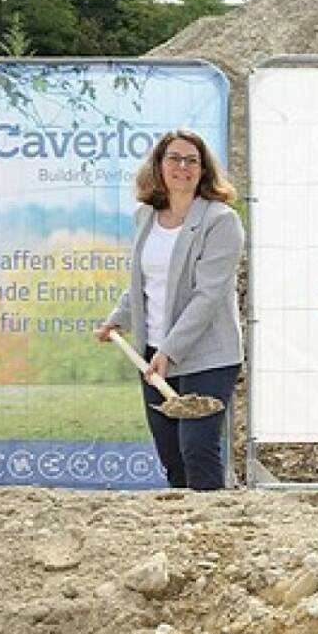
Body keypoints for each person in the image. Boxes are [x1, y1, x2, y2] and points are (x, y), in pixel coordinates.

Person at [95, 130, 243, 490]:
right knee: (171, 453)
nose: (182, 167)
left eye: (192, 160)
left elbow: (208, 297)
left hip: (207, 356)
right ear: (159, 166)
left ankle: (214, 527)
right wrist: (119, 318)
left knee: (197, 448)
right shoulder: (145, 216)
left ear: (203, 169)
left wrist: (170, 351)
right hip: (152, 355)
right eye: (174, 158)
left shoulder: (220, 221)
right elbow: (142, 282)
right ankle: (183, 530)